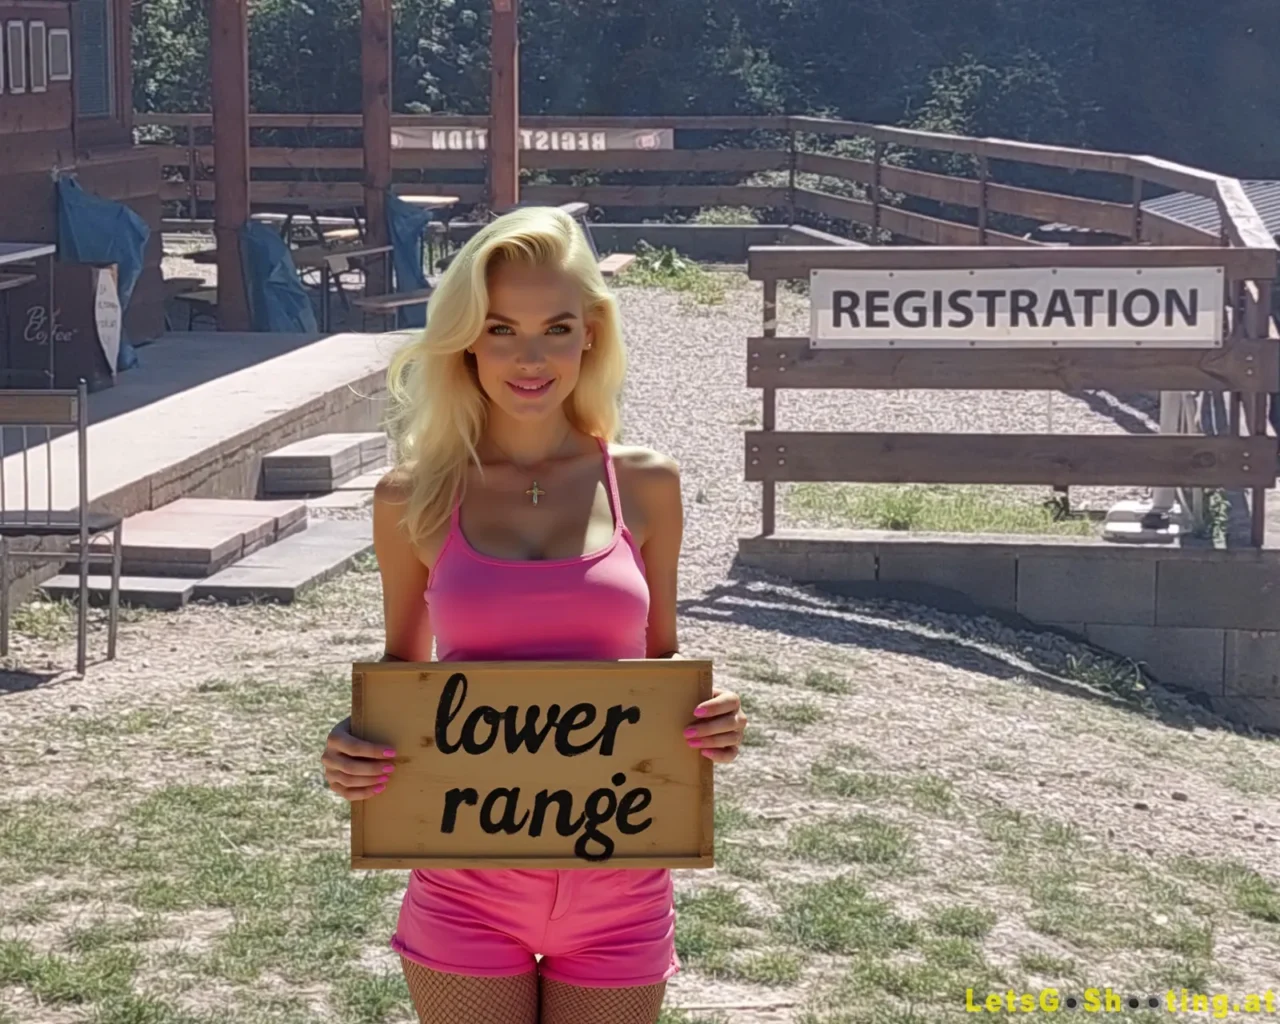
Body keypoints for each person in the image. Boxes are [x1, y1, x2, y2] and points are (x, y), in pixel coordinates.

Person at [319, 205, 749, 1024]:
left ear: (591, 334)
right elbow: (400, 681)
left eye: (555, 328)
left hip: (622, 884)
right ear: (466, 341)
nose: (529, 358)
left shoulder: (648, 484)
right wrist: (353, 748)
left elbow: (662, 670)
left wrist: (712, 719)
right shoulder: (412, 496)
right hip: (465, 886)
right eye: (501, 329)